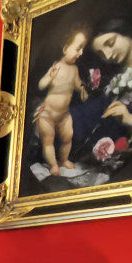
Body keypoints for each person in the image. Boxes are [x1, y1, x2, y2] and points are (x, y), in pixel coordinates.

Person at [33, 27, 90, 174]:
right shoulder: (56, 67)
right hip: (48, 114)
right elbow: (41, 85)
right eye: (78, 48)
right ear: (65, 49)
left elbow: (78, 84)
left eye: (82, 49)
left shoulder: (75, 69)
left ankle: (63, 160)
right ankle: (53, 165)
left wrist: (83, 90)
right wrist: (50, 77)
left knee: (67, 138)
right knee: (48, 141)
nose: (81, 53)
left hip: (64, 115)